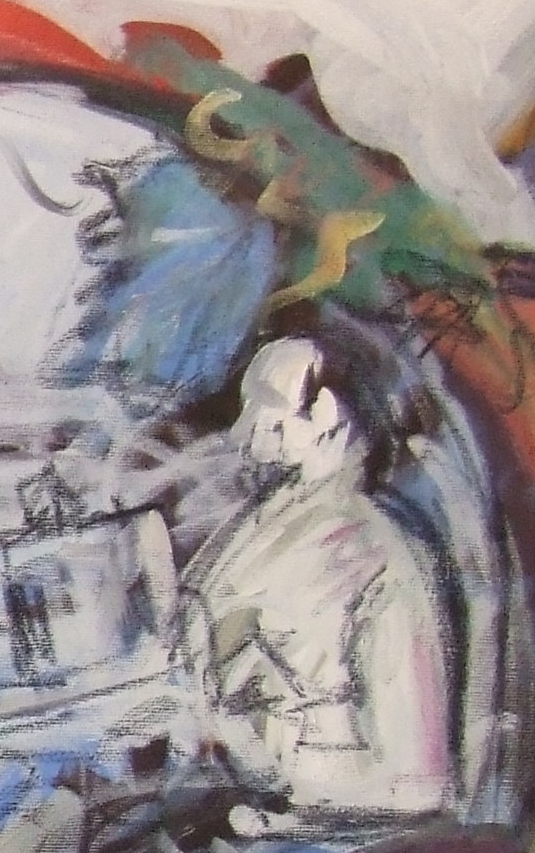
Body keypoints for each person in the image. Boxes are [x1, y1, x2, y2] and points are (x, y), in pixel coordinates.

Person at [176, 337, 453, 820]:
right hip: (216, 781)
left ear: (327, 414)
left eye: (266, 405)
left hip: (304, 815)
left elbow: (415, 778)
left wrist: (289, 815)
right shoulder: (267, 519)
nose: (243, 431)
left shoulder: (377, 555)